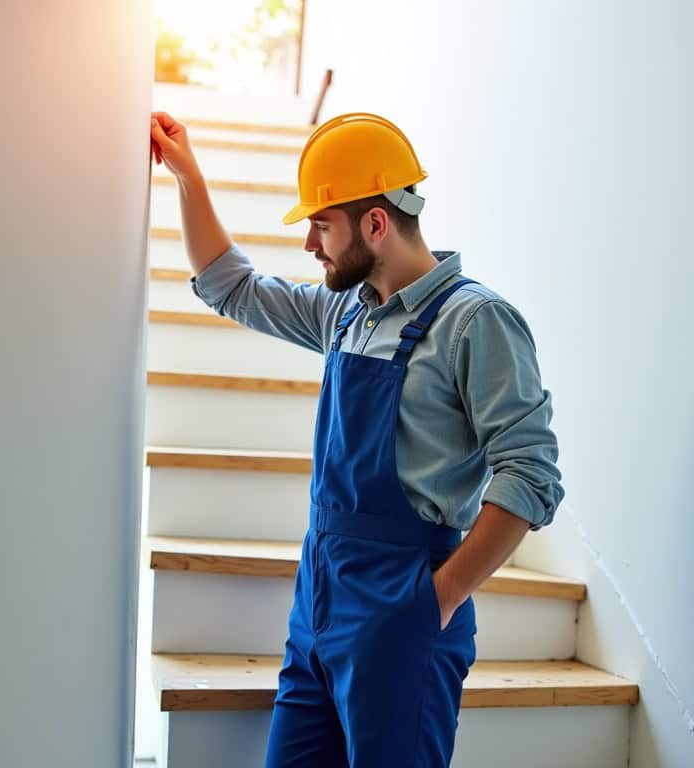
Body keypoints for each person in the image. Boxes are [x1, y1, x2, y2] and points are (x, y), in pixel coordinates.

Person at [149, 111, 564, 767]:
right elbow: (232, 287)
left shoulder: (475, 321)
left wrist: (438, 600)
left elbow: (530, 473)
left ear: (375, 223)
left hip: (405, 605)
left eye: (321, 225)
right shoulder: (347, 312)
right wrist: (187, 175)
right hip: (318, 599)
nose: (310, 245)